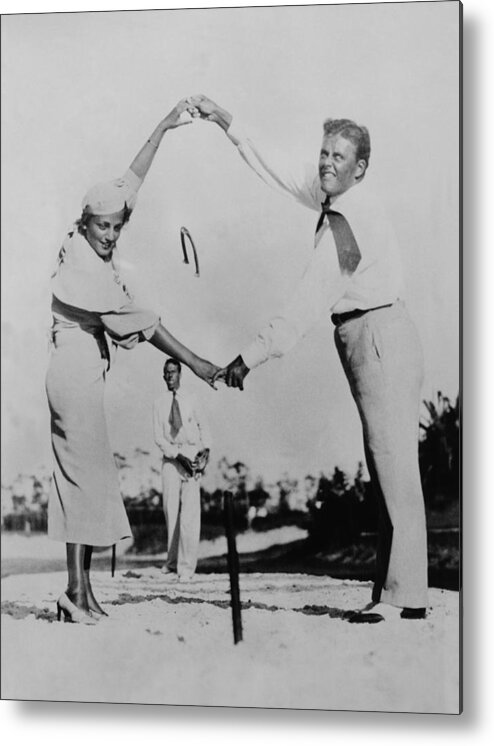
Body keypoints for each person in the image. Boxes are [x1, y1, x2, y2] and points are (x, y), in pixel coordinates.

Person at [188, 94, 428, 623]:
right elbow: (276, 166)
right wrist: (226, 119)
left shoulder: (347, 222)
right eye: (323, 153)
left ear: (359, 168)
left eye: (338, 157)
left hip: (378, 335)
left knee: (393, 468)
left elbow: (303, 303)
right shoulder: (331, 195)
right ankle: (397, 593)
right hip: (370, 335)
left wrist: (246, 360)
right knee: (385, 464)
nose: (325, 163)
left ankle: (403, 597)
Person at [46, 99, 219, 624]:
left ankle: (80, 591)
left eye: (117, 229)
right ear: (86, 223)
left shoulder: (97, 232)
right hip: (72, 376)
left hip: (82, 374)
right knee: (87, 482)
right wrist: (199, 363)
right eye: (104, 228)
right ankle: (76, 592)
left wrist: (164, 125)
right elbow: (144, 325)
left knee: (91, 483)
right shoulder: (85, 268)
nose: (112, 235)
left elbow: (131, 179)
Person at [153, 358, 211, 582]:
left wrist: (205, 451)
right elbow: (158, 437)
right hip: (171, 456)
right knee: (170, 510)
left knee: (190, 514)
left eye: (173, 372)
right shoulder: (158, 403)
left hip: (191, 454)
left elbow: (204, 427)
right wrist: (177, 456)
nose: (169, 376)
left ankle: (186, 569)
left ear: (180, 374)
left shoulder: (192, 399)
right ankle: (171, 562)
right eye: (166, 373)